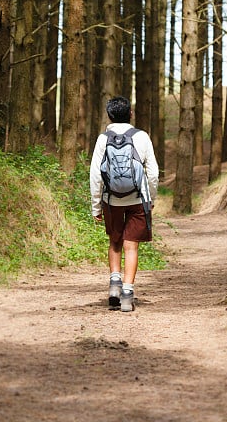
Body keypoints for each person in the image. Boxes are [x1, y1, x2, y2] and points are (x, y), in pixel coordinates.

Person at [90, 95, 159, 312]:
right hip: (138, 199)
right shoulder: (142, 137)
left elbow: (95, 175)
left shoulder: (103, 139)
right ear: (130, 113)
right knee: (132, 246)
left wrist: (96, 205)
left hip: (111, 200)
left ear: (109, 115)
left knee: (115, 242)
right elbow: (153, 173)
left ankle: (113, 286)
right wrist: (151, 199)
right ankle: (127, 294)